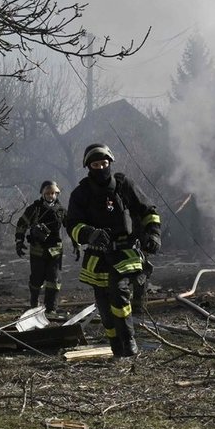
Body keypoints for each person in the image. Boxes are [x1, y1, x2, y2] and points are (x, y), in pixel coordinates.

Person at [66, 143, 161, 357]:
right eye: (96, 164)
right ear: (88, 167)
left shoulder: (124, 185)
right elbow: (71, 224)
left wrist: (153, 234)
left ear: (110, 163)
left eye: (104, 163)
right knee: (104, 305)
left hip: (125, 252)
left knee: (118, 293)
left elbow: (148, 210)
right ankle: (116, 345)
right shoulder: (81, 193)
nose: (101, 168)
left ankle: (128, 341)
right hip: (97, 256)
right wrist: (89, 233)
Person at [15, 181, 67, 312]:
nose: (51, 196)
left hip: (55, 252)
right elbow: (22, 224)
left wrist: (77, 244)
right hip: (37, 251)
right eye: (48, 193)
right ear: (43, 193)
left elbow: (71, 227)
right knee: (36, 280)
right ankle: (34, 304)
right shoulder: (34, 209)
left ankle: (51, 309)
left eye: (54, 193)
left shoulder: (61, 211)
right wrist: (19, 242)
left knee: (54, 281)